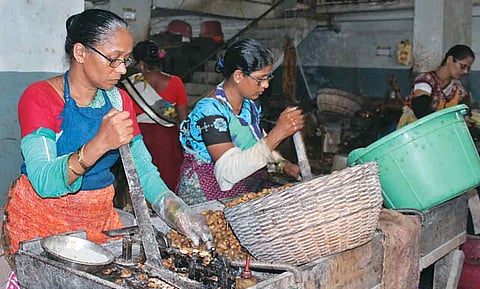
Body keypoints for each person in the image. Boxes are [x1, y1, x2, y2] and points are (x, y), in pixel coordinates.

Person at [2, 9, 212, 258]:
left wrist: (177, 211)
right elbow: (44, 182)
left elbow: (142, 171)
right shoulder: (40, 97)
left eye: (126, 60)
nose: (122, 70)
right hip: (43, 224)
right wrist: (99, 144)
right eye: (113, 59)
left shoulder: (119, 100)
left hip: (98, 220)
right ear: (80, 53)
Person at [177, 38, 304, 205]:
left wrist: (283, 164)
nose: (266, 85)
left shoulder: (248, 105)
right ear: (238, 76)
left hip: (239, 188)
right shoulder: (210, 112)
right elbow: (228, 172)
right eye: (260, 79)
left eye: (268, 77)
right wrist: (278, 133)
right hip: (206, 196)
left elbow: (255, 142)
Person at [128, 40, 188, 191]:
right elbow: (184, 120)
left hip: (139, 140)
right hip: (168, 140)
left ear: (140, 62)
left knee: (143, 180)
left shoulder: (129, 85)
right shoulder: (176, 82)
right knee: (168, 182)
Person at [397, 44, 475, 128]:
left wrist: (466, 118)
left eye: (468, 68)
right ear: (450, 59)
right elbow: (421, 110)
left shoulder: (457, 87)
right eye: (462, 66)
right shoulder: (426, 80)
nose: (465, 71)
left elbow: (465, 108)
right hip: (416, 131)